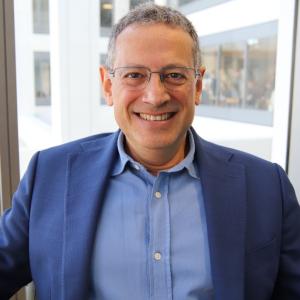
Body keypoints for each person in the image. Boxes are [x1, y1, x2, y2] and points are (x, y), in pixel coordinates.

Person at [1, 3, 300, 300]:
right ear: (108, 85)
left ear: (197, 86)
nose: (155, 96)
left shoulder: (266, 187)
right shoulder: (50, 175)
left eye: (174, 75)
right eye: (134, 75)